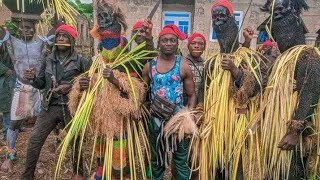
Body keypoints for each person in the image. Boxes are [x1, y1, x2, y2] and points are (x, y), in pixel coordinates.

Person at [20, 24, 90, 180]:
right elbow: (41, 83)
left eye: (65, 36)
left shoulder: (81, 61)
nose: (61, 38)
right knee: (35, 140)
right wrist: (32, 79)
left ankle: (78, 173)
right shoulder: (48, 59)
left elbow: (89, 84)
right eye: (59, 36)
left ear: (71, 41)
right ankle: (27, 175)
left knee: (75, 141)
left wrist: (73, 86)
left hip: (71, 107)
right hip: (49, 106)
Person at [260, 0, 320, 178]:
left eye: (280, 11)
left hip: (296, 137)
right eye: (273, 13)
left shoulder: (307, 56)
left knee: (293, 171)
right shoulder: (280, 61)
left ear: (295, 16)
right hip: (276, 129)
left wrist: (294, 132)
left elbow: (310, 92)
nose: (276, 15)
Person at [142, 24, 197, 180]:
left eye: (172, 40)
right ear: (159, 42)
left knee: (180, 160)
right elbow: (143, 93)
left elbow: (192, 95)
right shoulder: (149, 66)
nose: (168, 43)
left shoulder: (183, 65)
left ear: (177, 43)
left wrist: (188, 117)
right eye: (165, 40)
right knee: (157, 160)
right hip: (156, 120)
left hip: (178, 120)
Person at [1, 20, 44, 172]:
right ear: (18, 29)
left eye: (29, 27)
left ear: (35, 29)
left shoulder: (42, 43)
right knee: (14, 124)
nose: (25, 30)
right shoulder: (11, 41)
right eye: (23, 27)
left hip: (39, 88)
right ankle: (9, 157)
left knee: (49, 121)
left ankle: (57, 142)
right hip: (21, 87)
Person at [0, 27, 13, 141]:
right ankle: (6, 132)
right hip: (4, 80)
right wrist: (4, 70)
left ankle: (9, 131)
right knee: (6, 108)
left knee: (9, 106)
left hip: (9, 80)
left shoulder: (8, 40)